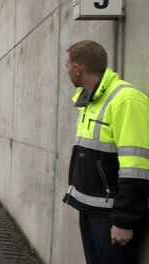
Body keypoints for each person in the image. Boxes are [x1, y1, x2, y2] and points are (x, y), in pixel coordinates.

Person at [62, 40, 149, 264]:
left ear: (78, 69)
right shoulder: (90, 101)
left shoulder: (126, 100)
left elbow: (136, 167)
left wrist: (124, 221)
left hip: (111, 216)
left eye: (67, 65)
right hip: (90, 208)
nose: (67, 70)